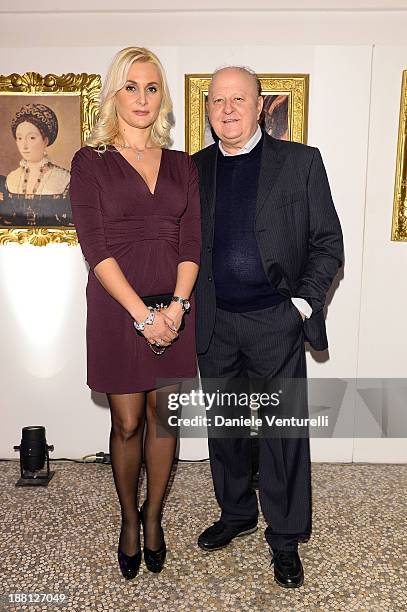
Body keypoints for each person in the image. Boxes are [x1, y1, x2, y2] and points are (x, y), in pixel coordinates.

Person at [193, 66, 343, 588]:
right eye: (217, 101)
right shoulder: (194, 170)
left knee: (282, 436)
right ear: (207, 109)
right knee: (227, 429)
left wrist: (299, 308)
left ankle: (284, 537)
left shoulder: (300, 163)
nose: (228, 109)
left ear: (261, 106)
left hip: (274, 322)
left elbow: (328, 243)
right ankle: (236, 514)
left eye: (239, 99)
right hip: (215, 325)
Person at [69, 47, 200, 579]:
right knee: (126, 423)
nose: (142, 98)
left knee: (163, 419)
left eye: (151, 87)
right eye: (131, 87)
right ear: (114, 95)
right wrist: (143, 317)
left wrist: (176, 307)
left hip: (176, 307)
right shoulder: (89, 161)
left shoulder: (182, 164)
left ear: (160, 96)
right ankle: (127, 518)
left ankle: (153, 517)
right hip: (116, 310)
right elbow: (95, 248)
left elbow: (191, 243)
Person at [3, 103, 71, 226]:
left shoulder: (64, 179)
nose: (24, 146)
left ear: (45, 140)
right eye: (19, 138)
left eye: (32, 138)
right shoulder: (11, 178)